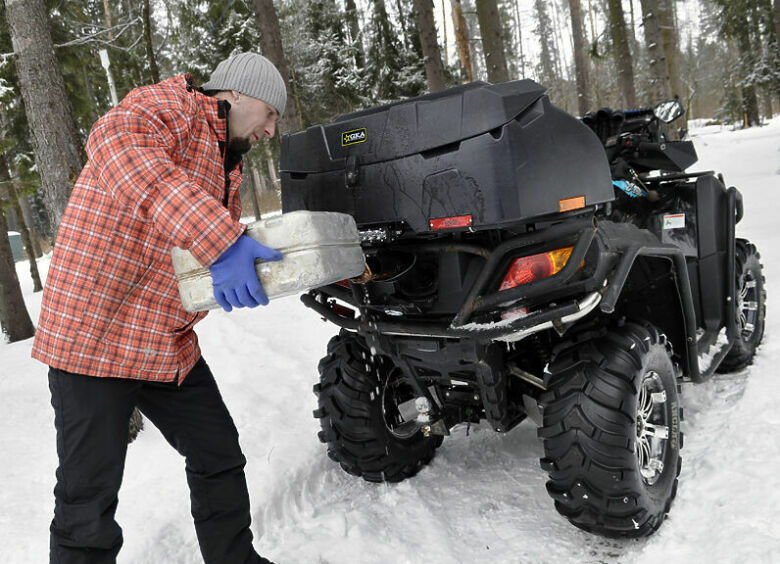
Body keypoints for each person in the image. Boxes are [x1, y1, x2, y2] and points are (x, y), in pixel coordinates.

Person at [32, 52, 286, 564]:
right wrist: (223, 243)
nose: (272, 130)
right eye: (271, 112)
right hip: (94, 335)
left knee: (219, 456)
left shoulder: (224, 163)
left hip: (162, 340)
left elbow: (176, 246)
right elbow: (121, 152)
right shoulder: (170, 107)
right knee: (87, 501)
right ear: (234, 93)